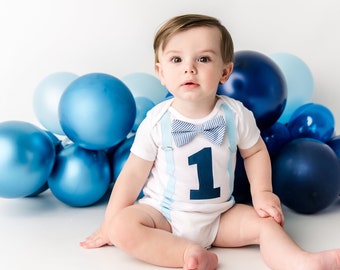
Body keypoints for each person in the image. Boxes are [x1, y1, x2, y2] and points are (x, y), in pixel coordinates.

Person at [81, 14, 340, 270]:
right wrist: (110, 221)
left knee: (266, 224)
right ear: (161, 72)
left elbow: (255, 152)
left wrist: (261, 193)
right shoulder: (157, 121)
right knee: (122, 227)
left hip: (220, 216)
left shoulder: (236, 114)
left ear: (225, 72)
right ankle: (187, 254)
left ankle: (301, 262)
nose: (189, 68)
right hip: (163, 216)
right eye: (176, 59)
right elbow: (132, 174)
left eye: (203, 59)